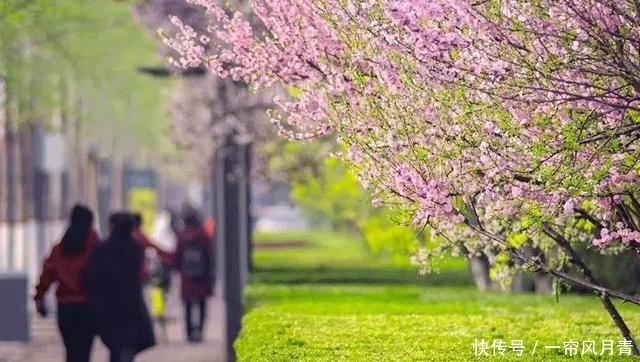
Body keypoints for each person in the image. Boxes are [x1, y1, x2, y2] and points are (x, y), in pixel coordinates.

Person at [85, 212, 155, 362]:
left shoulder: (102, 250)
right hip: (130, 306)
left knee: (117, 347)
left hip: (108, 307)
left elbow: (91, 278)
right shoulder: (135, 249)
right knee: (125, 347)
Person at [34, 204, 99, 362]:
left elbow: (48, 273)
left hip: (65, 309)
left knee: (71, 352)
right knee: (83, 352)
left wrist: (39, 297)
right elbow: (103, 274)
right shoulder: (94, 246)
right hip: (87, 308)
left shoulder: (62, 247)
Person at [173, 207, 214, 343]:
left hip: (187, 276)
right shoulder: (203, 234)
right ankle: (200, 332)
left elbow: (177, 256)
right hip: (202, 275)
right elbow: (209, 254)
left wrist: (178, 269)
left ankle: (189, 333)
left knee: (188, 305)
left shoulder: (182, 235)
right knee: (202, 304)